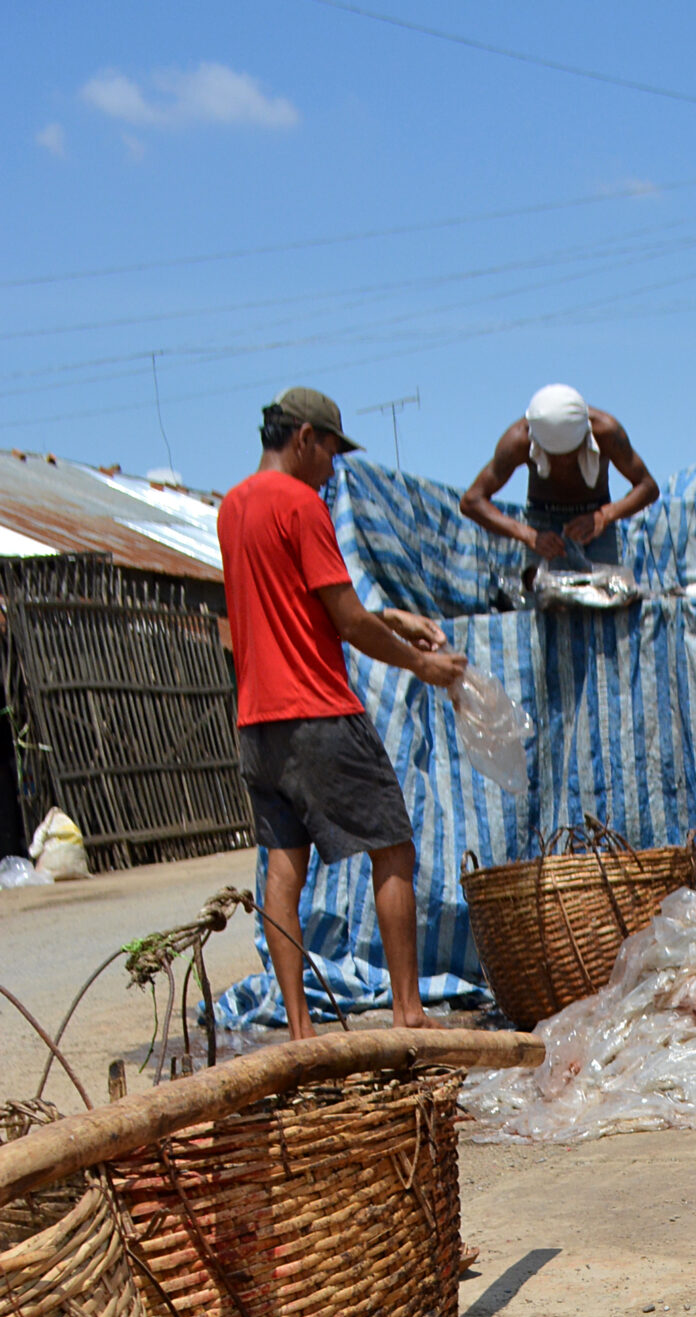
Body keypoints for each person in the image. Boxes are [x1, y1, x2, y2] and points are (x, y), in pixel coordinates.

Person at [218, 386, 466, 1041]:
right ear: (303, 438)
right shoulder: (301, 503)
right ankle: (410, 1011)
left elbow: (299, 611)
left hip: (257, 724)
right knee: (393, 849)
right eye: (330, 448)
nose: (333, 465)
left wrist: (392, 619)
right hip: (318, 713)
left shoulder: (232, 507)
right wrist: (425, 665)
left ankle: (299, 1030)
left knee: (282, 867)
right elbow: (346, 622)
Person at [460, 384, 659, 569]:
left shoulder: (607, 432)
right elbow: (472, 501)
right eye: (554, 457)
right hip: (542, 521)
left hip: (596, 520)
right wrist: (529, 536)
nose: (564, 462)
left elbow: (648, 487)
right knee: (544, 600)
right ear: (537, 442)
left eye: (571, 454)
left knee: (603, 598)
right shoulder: (518, 440)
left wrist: (604, 516)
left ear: (585, 435)